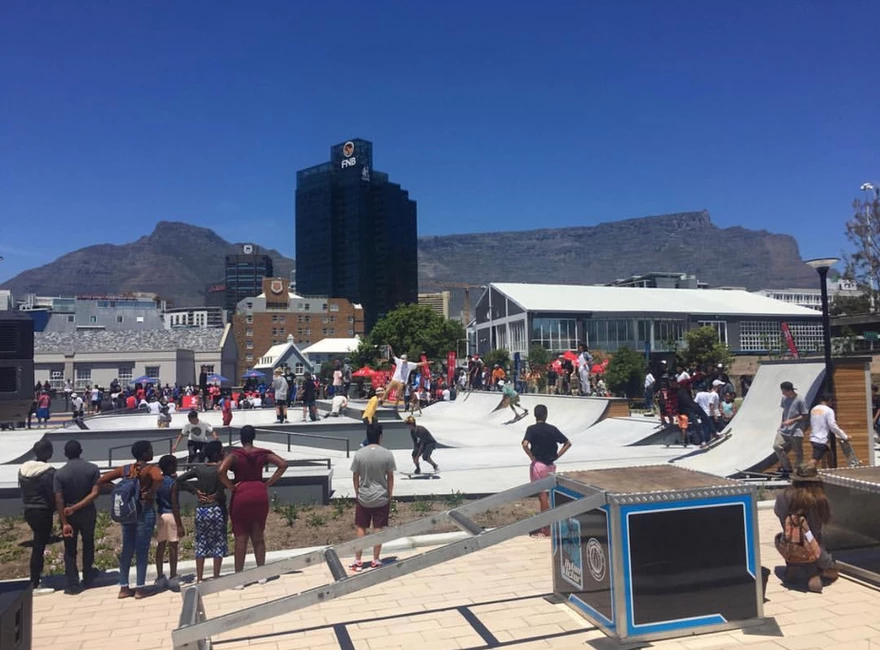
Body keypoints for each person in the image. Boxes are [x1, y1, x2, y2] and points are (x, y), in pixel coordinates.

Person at [218, 426, 288, 577]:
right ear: (254, 437)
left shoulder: (235, 455)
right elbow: (283, 464)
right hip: (259, 492)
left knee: (241, 537)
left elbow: (220, 471)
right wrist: (268, 483)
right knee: (258, 535)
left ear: (241, 438)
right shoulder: (262, 454)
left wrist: (231, 487)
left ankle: (239, 577)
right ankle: (261, 574)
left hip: (241, 493)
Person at [97, 441, 164, 599]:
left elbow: (101, 480)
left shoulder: (126, 469)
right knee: (142, 550)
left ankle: (124, 587)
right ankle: (140, 588)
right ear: (145, 453)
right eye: (150, 449)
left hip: (127, 512)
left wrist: (117, 490)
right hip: (144, 510)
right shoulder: (151, 468)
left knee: (127, 548)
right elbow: (159, 479)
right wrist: (151, 492)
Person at [774, 465, 838, 593]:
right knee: (833, 572)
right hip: (814, 549)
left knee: (785, 538)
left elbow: (778, 513)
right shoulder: (818, 499)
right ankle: (815, 573)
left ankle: (792, 567)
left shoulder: (782, 496)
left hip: (788, 545)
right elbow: (823, 522)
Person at [176, 440, 227, 583]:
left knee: (201, 542)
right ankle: (216, 575)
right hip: (216, 508)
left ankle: (199, 577)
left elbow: (180, 479)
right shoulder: (221, 469)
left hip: (201, 509)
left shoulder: (199, 469)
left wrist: (195, 491)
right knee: (218, 542)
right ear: (217, 453)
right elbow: (224, 489)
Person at [54, 440, 101, 595]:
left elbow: (59, 499)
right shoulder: (92, 469)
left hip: (69, 514)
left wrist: (64, 521)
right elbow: (94, 493)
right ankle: (87, 576)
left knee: (70, 548)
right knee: (88, 543)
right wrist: (78, 507)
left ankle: (73, 583)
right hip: (87, 512)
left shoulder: (60, 473)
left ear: (66, 454)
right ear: (81, 451)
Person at [350, 423, 396, 572]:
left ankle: (358, 560)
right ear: (380, 436)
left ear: (367, 436)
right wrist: (389, 494)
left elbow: (355, 476)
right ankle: (376, 559)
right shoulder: (387, 454)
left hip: (364, 497)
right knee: (378, 528)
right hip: (381, 496)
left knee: (361, 527)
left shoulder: (359, 454)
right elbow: (390, 477)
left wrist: (357, 492)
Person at [522, 404, 571, 537]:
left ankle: (547, 528)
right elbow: (568, 443)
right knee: (551, 495)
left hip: (538, 465)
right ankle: (550, 524)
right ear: (546, 415)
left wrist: (531, 456)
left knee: (542, 497)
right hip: (550, 466)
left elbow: (525, 444)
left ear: (535, 415)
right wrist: (557, 455)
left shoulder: (531, 429)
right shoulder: (552, 429)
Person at [19, 440, 56, 592]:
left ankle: (36, 578)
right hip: (43, 511)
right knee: (39, 545)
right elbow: (52, 493)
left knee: (38, 542)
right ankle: (35, 581)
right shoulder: (49, 472)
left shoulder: (23, 469)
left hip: (28, 510)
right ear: (48, 453)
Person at [808, 394, 858, 468]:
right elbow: (832, 425)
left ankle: (832, 470)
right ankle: (805, 472)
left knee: (829, 453)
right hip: (820, 439)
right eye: (832, 401)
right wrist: (844, 436)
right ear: (829, 400)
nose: (832, 403)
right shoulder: (829, 410)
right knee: (814, 460)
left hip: (814, 437)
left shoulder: (814, 409)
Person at [774, 381, 809, 479]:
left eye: (784, 391)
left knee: (798, 452)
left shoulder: (800, 400)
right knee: (777, 446)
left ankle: (798, 471)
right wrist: (782, 422)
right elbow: (784, 411)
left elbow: (805, 415)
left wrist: (792, 420)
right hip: (784, 430)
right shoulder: (784, 399)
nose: (783, 393)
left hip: (796, 430)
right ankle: (787, 468)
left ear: (790, 390)